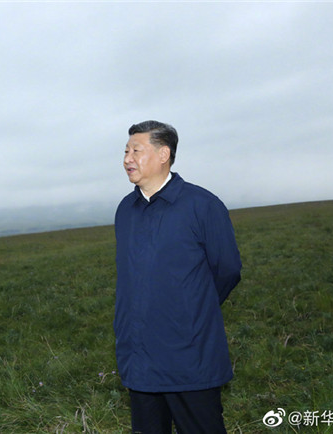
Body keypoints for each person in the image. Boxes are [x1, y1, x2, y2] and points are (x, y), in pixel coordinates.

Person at [114, 120, 242, 433]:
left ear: (163, 154)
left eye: (136, 151)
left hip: (189, 357)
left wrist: (191, 309)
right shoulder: (126, 210)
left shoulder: (202, 205)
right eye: (126, 151)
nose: (128, 158)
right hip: (140, 357)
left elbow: (227, 270)